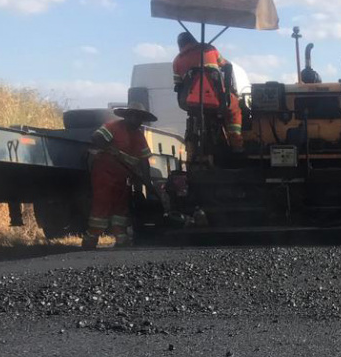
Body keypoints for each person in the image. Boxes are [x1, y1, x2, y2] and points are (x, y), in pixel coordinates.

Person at [82, 103, 155, 249]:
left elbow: (144, 160)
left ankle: (121, 238)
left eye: (140, 118)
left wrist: (148, 182)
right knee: (102, 204)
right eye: (134, 116)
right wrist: (109, 147)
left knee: (120, 208)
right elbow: (96, 137)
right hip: (105, 174)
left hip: (123, 177)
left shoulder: (139, 136)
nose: (137, 120)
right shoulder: (113, 126)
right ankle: (91, 239)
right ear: (127, 116)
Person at [172, 32, 244, 153]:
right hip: (216, 99)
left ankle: (192, 149)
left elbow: (178, 85)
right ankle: (236, 141)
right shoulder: (210, 49)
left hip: (190, 103)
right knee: (234, 108)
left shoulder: (176, 61)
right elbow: (226, 64)